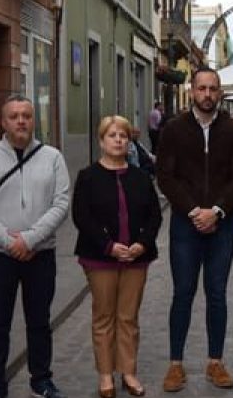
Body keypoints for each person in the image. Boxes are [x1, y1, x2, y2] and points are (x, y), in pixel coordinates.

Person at [156, 68, 233, 392]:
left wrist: (218, 211)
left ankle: (215, 361)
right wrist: (195, 211)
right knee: (182, 293)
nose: (207, 94)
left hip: (223, 226)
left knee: (217, 294)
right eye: (202, 88)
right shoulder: (173, 129)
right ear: (192, 91)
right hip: (186, 224)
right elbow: (165, 176)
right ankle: (175, 364)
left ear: (219, 92)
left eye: (212, 89)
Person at [0, 95, 71, 398]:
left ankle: (41, 379)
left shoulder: (52, 156)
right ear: (3, 122)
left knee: (39, 321)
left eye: (26, 115)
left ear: (33, 120)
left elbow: (61, 202)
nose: (21, 121)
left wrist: (29, 239)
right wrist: (8, 241)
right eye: (14, 116)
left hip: (40, 254)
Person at [73, 116, 162, 398]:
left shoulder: (140, 177)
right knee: (104, 316)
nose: (118, 140)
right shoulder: (88, 177)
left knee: (128, 317)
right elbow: (81, 217)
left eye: (123, 135)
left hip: (136, 258)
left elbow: (154, 216)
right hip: (100, 258)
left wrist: (142, 244)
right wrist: (108, 246)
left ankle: (129, 372)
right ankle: (105, 375)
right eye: (112, 135)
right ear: (102, 141)